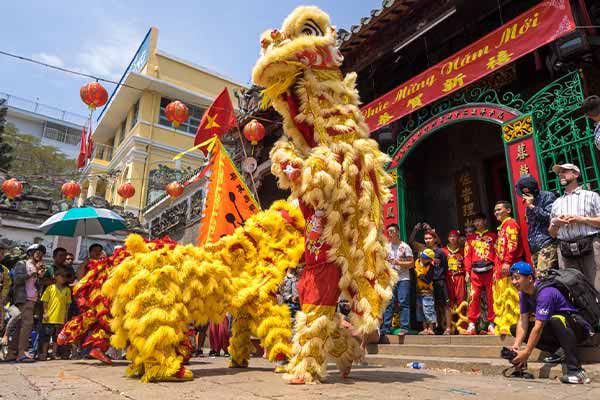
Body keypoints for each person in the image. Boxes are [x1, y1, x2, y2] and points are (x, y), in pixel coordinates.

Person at [509, 261, 592, 384]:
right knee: (514, 328)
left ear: (530, 278)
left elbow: (538, 327)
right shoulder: (523, 294)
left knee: (556, 319)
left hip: (577, 328)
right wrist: (516, 346)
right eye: (512, 278)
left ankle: (577, 371)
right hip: (557, 329)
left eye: (517, 278)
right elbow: (523, 321)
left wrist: (526, 352)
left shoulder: (545, 293)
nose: (514, 282)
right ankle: (560, 351)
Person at [549, 163, 600, 290]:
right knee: (574, 291)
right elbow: (552, 233)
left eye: (565, 171)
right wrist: (556, 223)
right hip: (566, 251)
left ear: (576, 174)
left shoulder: (591, 196)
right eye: (559, 172)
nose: (560, 174)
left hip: (590, 247)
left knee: (597, 286)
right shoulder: (556, 203)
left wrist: (582, 219)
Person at [5, 244, 46, 362]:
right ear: (30, 253)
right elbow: (17, 280)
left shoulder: (37, 267)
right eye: (37, 252)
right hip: (23, 299)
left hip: (32, 300)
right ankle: (22, 353)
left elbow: (36, 286)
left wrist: (40, 276)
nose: (40, 255)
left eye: (41, 253)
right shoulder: (22, 264)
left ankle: (12, 353)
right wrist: (32, 274)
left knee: (20, 327)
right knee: (27, 325)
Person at [410, 224, 451, 335]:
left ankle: (448, 328)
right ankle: (434, 327)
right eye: (426, 238)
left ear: (435, 239)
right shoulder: (423, 250)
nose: (427, 240)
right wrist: (415, 230)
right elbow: (412, 241)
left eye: (430, 238)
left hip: (440, 280)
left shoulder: (441, 252)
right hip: (427, 283)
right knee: (432, 306)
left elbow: (446, 268)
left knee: (445, 305)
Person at [463, 213, 497, 335]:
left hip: (490, 270)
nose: (477, 223)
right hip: (475, 271)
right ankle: (471, 324)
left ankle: (492, 324)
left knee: (491, 296)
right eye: (475, 221)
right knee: (473, 296)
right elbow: (467, 256)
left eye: (479, 221)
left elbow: (497, 253)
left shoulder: (493, 236)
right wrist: (467, 271)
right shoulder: (470, 239)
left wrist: (496, 269)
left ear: (485, 221)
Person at [493, 200, 524, 335]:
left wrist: (507, 262)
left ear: (508, 211)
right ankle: (506, 325)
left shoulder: (510, 224)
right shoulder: (502, 227)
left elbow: (512, 245)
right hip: (503, 268)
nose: (496, 213)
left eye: (499, 209)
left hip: (511, 267)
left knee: (514, 298)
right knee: (504, 298)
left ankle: (517, 325)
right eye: (495, 210)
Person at [516, 175, 557, 271]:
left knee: (543, 277)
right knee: (538, 280)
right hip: (534, 246)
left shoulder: (547, 196)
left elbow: (550, 217)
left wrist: (532, 206)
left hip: (547, 243)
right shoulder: (528, 202)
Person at [381, 224, 413, 339]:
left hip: (403, 279)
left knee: (403, 302)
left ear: (398, 232)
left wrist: (398, 263)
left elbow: (411, 263)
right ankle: (386, 327)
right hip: (390, 279)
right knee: (389, 302)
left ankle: (404, 327)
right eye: (388, 231)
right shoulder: (387, 247)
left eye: (392, 231)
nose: (390, 233)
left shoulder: (405, 247)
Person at [38, 269, 71, 361]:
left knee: (57, 338)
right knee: (46, 337)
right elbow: (45, 301)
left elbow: (68, 305)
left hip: (60, 318)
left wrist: (66, 316)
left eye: (65, 277)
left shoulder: (67, 290)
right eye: (61, 276)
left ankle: (53, 353)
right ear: (56, 277)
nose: (63, 279)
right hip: (49, 318)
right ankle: (44, 353)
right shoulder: (50, 288)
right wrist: (45, 312)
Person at [442, 230, 467, 334]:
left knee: (461, 299)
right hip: (448, 278)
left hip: (460, 277)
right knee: (449, 301)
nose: (452, 238)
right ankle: (450, 326)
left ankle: (463, 326)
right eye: (450, 236)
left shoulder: (463, 250)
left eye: (455, 236)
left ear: (458, 238)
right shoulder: (443, 251)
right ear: (448, 238)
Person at [415, 249, 436, 335]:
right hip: (418, 291)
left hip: (427, 293)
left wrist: (419, 274)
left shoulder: (431, 267)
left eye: (425, 258)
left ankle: (431, 328)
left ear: (430, 260)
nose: (422, 259)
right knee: (420, 311)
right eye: (422, 257)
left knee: (429, 309)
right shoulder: (416, 263)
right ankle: (424, 328)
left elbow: (427, 279)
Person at [0, 241, 12, 333]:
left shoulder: (4, 270)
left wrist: (3, 297)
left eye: (2, 253)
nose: (1, 255)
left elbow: (6, 285)